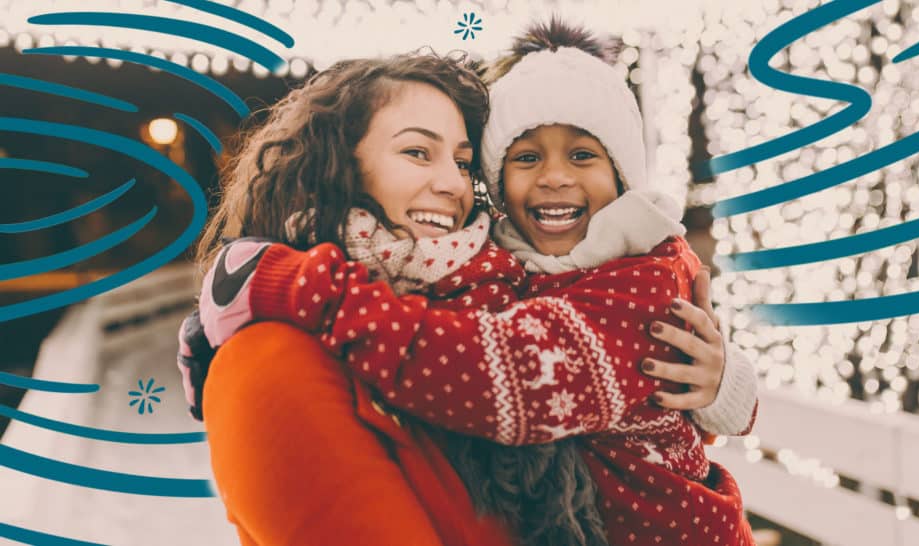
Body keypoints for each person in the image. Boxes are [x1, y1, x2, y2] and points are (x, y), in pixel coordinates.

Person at [190, 19, 758, 546]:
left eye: (462, 162)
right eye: (417, 152)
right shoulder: (270, 358)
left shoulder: (496, 291)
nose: (451, 185)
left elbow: (521, 372)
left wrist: (725, 384)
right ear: (336, 163)